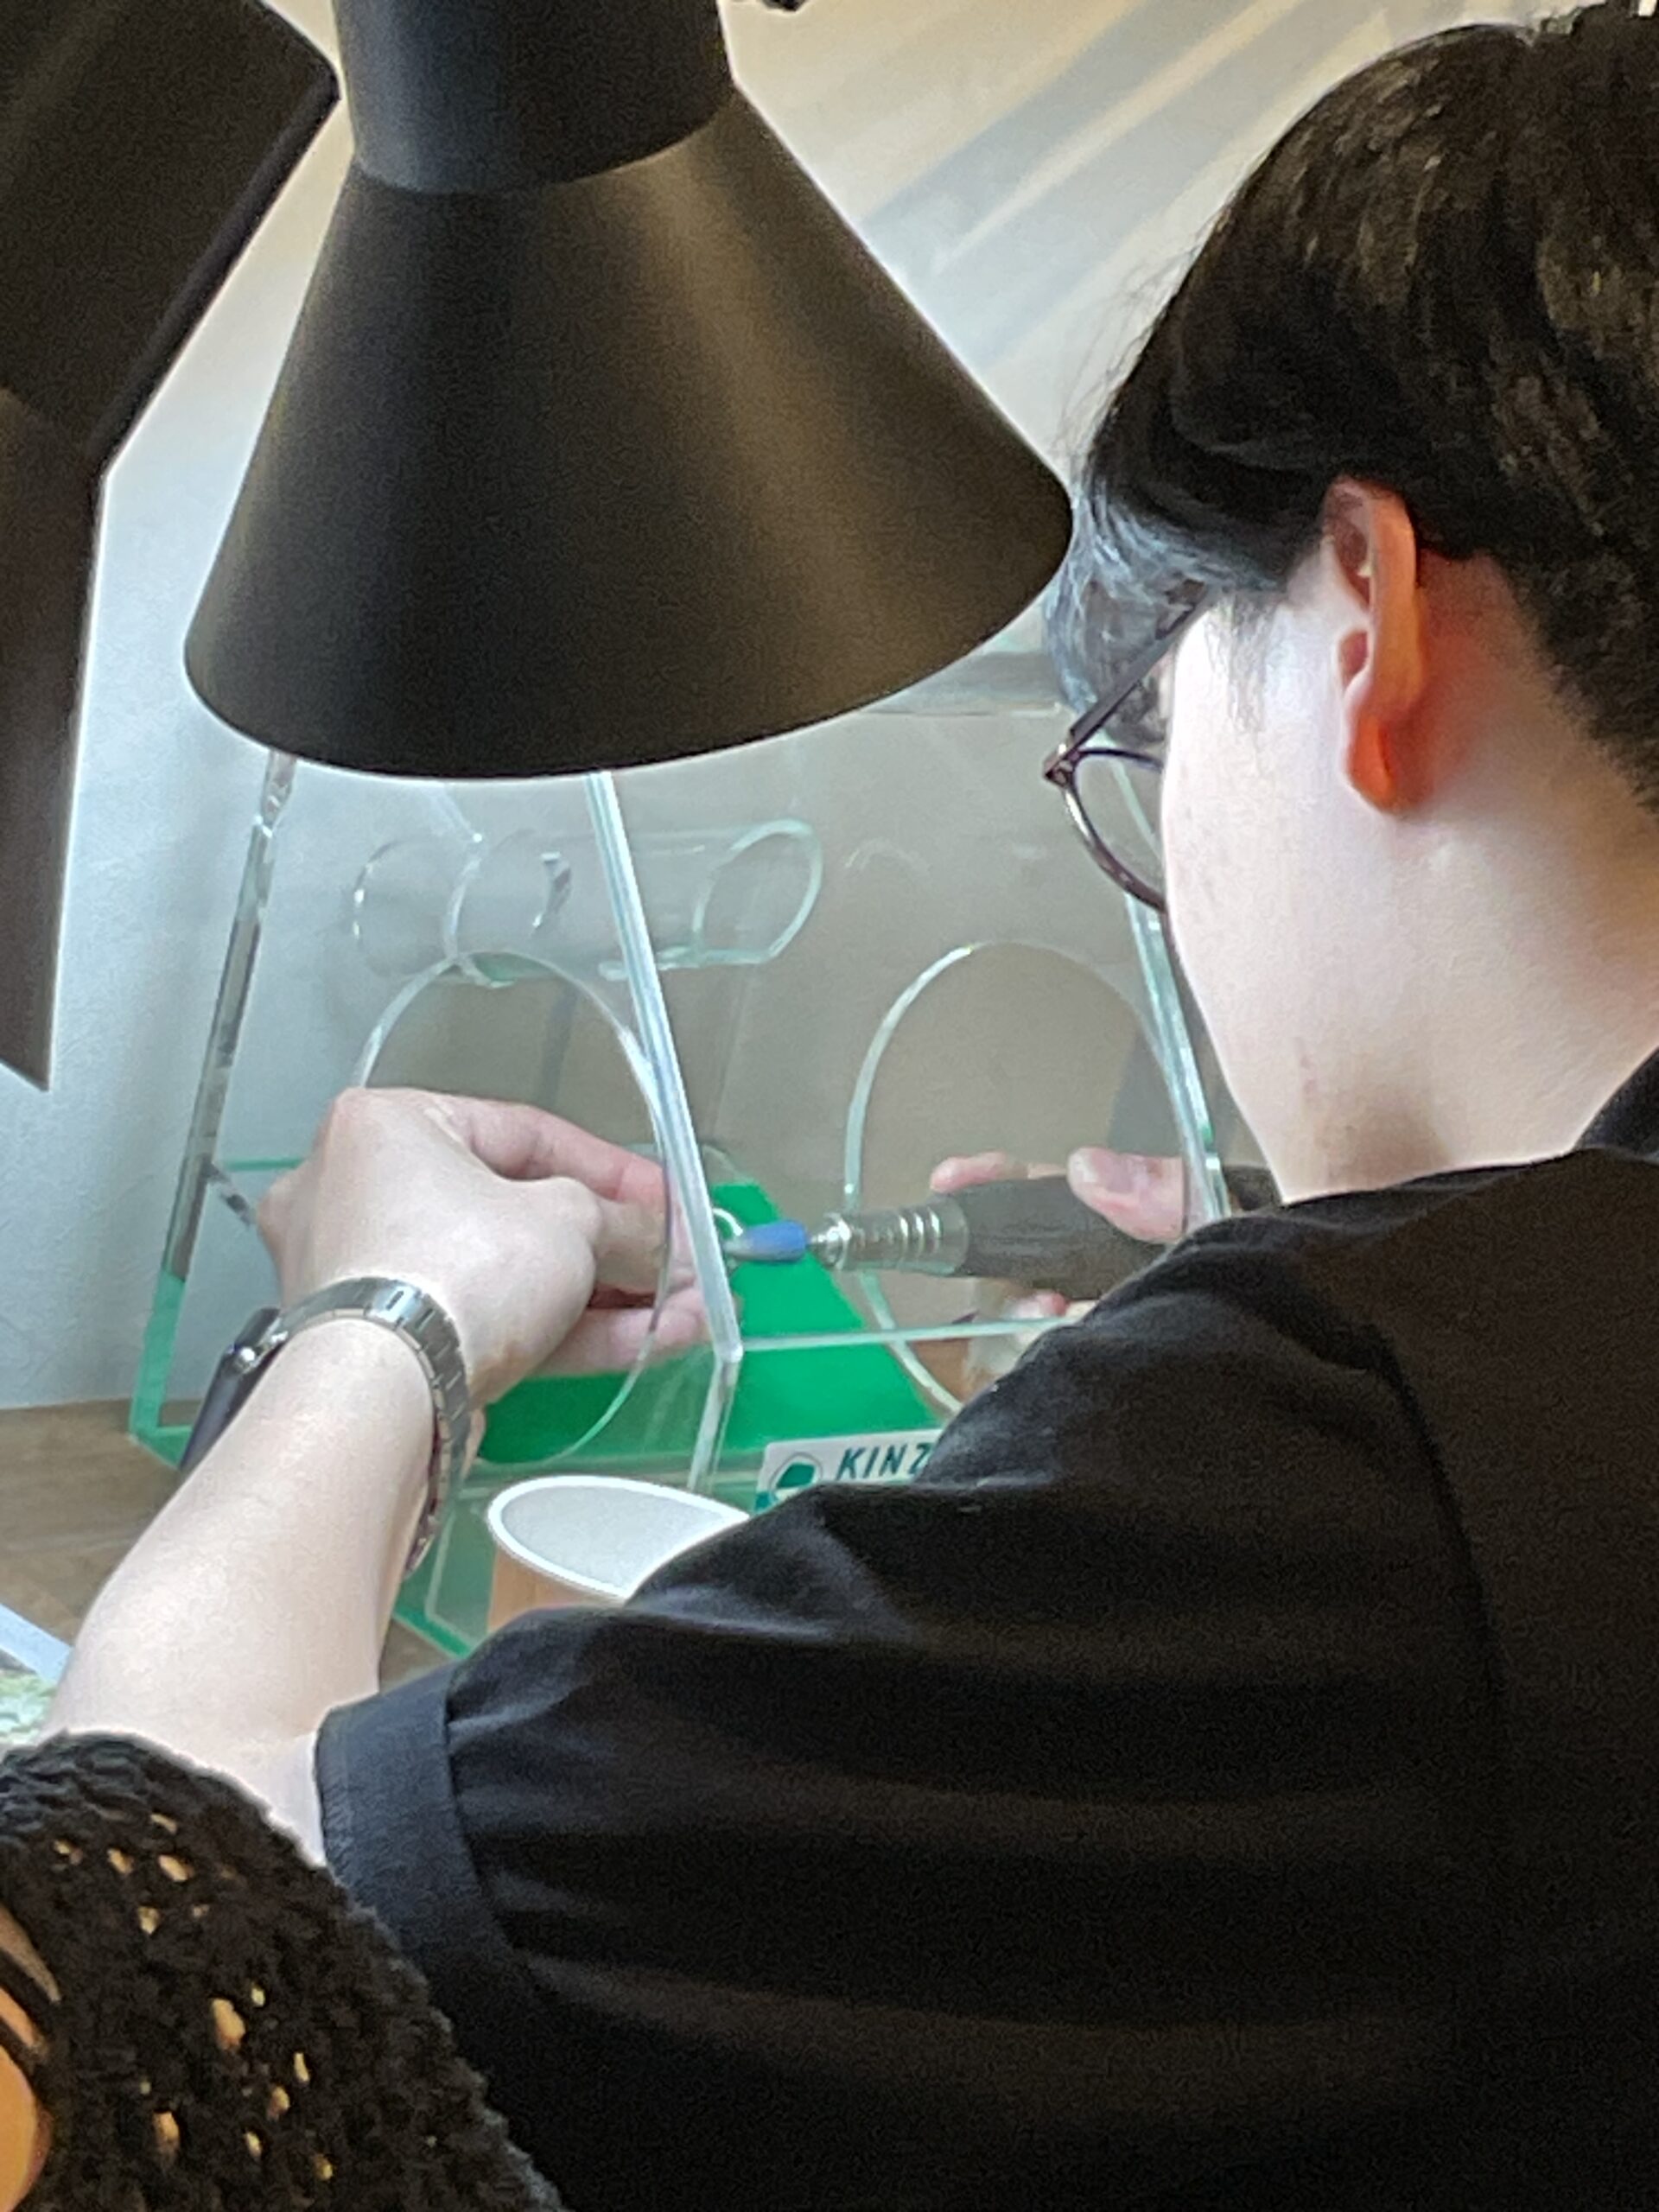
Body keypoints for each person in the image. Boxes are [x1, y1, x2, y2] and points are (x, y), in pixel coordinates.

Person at [27, 2, 1659, 2205]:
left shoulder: (1375, 1469)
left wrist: (382, 1310)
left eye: (1145, 754)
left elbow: (164, 1920)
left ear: (1367, 620)